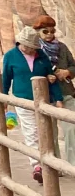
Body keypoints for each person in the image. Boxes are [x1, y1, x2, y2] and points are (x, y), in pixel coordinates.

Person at [1, 25, 62, 182]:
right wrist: (3, 98)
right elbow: (6, 78)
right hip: (23, 99)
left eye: (34, 47)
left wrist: (59, 98)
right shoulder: (10, 56)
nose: (32, 50)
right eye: (29, 47)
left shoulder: (41, 55)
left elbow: (51, 75)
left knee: (47, 131)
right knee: (32, 131)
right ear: (21, 43)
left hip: (45, 99)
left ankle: (49, 162)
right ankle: (37, 166)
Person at [33, 14, 75, 165]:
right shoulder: (34, 50)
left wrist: (67, 72)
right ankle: (54, 166)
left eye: (52, 31)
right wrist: (46, 76)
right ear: (38, 31)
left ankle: (73, 165)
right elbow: (27, 71)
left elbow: (73, 65)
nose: (50, 34)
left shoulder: (62, 47)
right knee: (49, 133)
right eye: (46, 31)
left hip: (66, 93)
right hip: (46, 95)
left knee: (72, 130)